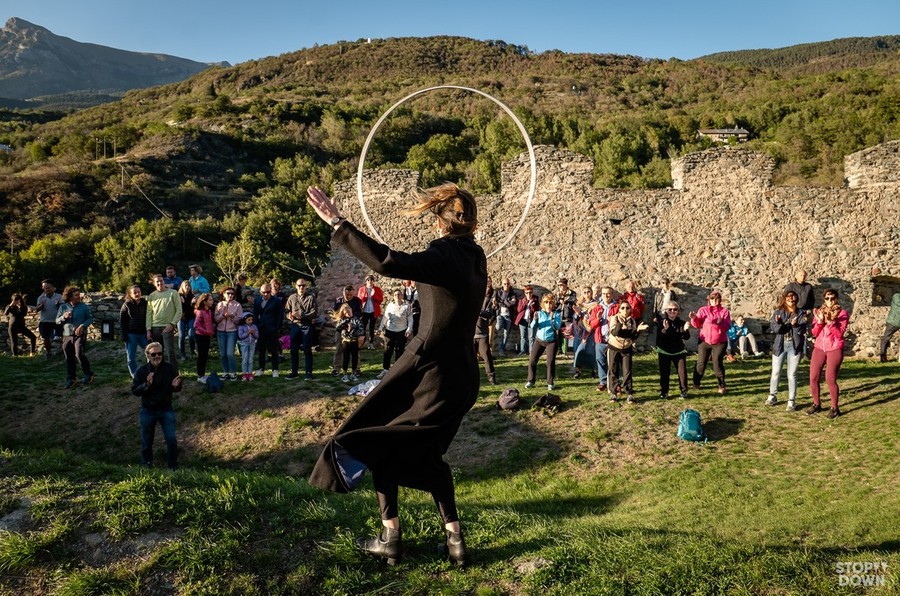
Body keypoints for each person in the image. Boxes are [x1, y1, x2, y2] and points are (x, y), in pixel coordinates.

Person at [306, 182, 486, 567]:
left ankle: (391, 536)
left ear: (440, 223)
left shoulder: (443, 253)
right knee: (427, 456)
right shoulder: (476, 256)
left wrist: (339, 224)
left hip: (429, 371)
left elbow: (388, 262)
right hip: (462, 375)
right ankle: (453, 541)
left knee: (371, 440)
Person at [131, 342, 181, 470]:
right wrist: (146, 384)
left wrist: (176, 386)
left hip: (166, 408)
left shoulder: (169, 368)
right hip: (148, 410)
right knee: (147, 440)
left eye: (160, 353)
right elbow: (135, 391)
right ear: (148, 355)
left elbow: (177, 387)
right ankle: (146, 465)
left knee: (171, 439)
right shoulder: (141, 371)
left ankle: (173, 467)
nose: (157, 356)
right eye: (154, 354)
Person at [807, 289, 849, 418]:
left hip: (834, 347)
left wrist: (830, 323)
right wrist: (820, 321)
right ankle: (816, 404)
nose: (829, 301)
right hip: (820, 347)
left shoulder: (842, 314)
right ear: (824, 299)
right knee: (813, 377)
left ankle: (835, 408)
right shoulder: (820, 312)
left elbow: (839, 334)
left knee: (830, 378)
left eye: (832, 298)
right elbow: (814, 333)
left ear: (836, 299)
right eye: (827, 298)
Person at [767, 291, 807, 410]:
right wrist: (781, 323)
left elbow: (801, 331)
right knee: (775, 372)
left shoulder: (801, 313)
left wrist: (794, 326)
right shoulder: (778, 312)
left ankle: (791, 400)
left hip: (794, 346)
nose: (791, 300)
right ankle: (772, 395)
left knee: (792, 374)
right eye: (789, 298)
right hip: (780, 345)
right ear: (785, 300)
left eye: (793, 299)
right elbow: (775, 329)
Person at [690, 290, 732, 394]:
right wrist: (694, 318)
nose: (714, 301)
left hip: (719, 342)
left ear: (720, 300)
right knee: (701, 363)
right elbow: (697, 324)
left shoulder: (724, 311)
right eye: (712, 299)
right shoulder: (703, 310)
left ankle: (721, 385)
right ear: (709, 300)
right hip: (704, 341)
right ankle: (696, 383)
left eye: (717, 299)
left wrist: (720, 323)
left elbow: (727, 326)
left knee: (717, 363)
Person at [606, 302, 649, 402]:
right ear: (619, 309)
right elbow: (615, 332)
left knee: (627, 371)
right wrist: (621, 323)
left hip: (627, 349)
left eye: (627, 308)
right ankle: (613, 393)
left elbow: (633, 337)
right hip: (614, 348)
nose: (625, 310)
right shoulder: (615, 318)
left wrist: (637, 330)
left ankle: (629, 392)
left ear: (630, 309)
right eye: (623, 308)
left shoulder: (632, 321)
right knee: (613, 370)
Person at [56, 286, 94, 389]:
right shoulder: (63, 307)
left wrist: (83, 325)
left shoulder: (84, 306)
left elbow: (90, 319)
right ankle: (71, 378)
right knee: (69, 358)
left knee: (79, 354)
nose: (79, 296)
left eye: (79, 294)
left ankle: (88, 374)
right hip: (67, 335)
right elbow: (57, 321)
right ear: (70, 297)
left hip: (80, 334)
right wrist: (64, 317)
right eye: (76, 295)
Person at [145, 273, 182, 372]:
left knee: (170, 352)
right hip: (154, 328)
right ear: (154, 283)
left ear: (164, 281)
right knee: (156, 354)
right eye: (157, 281)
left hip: (167, 327)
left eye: (161, 281)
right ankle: (159, 373)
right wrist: (148, 329)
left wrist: (172, 324)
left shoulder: (173, 293)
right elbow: (149, 314)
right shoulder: (152, 296)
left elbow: (179, 310)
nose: (159, 283)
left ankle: (174, 374)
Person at [655, 301, 691, 399]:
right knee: (664, 373)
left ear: (678, 311)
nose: (672, 311)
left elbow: (686, 337)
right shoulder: (662, 322)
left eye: (675, 309)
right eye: (670, 309)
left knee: (682, 372)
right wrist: (665, 329)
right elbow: (660, 337)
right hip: (664, 351)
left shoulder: (682, 323)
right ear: (666, 311)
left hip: (678, 351)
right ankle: (664, 392)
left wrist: (686, 329)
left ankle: (684, 391)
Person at [526, 292, 561, 391]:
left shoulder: (556, 314)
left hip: (551, 341)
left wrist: (552, 319)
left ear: (553, 304)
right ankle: (531, 381)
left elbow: (557, 327)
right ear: (543, 304)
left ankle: (550, 382)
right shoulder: (539, 313)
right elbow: (532, 326)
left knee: (550, 362)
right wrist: (535, 319)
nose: (548, 304)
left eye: (550, 302)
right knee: (532, 360)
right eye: (546, 302)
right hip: (539, 340)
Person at [285, 279, 317, 380]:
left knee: (307, 350)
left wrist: (301, 315)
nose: (301, 287)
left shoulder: (311, 297)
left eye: (303, 285)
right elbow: (286, 311)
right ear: (296, 286)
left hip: (307, 326)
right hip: (295, 326)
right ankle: (294, 372)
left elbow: (314, 312)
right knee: (293, 350)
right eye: (299, 285)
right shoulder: (292, 298)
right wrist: (289, 316)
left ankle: (308, 372)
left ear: (306, 286)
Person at [378, 288, 413, 379]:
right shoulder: (390, 305)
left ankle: (397, 370)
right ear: (393, 297)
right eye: (395, 295)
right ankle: (385, 370)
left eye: (399, 294)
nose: (397, 296)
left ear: (402, 296)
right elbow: (385, 317)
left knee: (399, 350)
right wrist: (380, 328)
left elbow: (410, 319)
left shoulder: (406, 306)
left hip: (402, 331)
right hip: (390, 331)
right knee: (388, 350)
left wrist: (409, 329)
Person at [586, 287, 616, 392]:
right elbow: (591, 325)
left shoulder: (617, 307)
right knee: (600, 361)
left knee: (615, 362)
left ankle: (616, 382)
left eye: (608, 294)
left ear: (612, 295)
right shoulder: (597, 308)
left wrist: (612, 320)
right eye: (604, 294)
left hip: (613, 340)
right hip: (600, 339)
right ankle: (603, 381)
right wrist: (598, 319)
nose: (606, 296)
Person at [253, 283, 284, 377]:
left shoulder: (276, 301)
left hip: (272, 328)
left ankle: (275, 369)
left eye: (268, 292)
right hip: (261, 328)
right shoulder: (257, 300)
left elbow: (280, 315)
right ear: (260, 292)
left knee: (273, 350)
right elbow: (255, 314)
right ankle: (261, 368)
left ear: (271, 291)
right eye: (264, 292)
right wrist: (257, 325)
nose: (266, 294)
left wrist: (276, 327)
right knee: (261, 350)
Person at [331, 285, 362, 376]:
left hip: (353, 328)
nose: (348, 296)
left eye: (350, 295)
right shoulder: (338, 301)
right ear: (343, 293)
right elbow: (336, 313)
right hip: (341, 328)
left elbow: (359, 313)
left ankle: (356, 368)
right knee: (339, 348)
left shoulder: (357, 301)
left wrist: (351, 319)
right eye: (346, 294)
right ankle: (336, 368)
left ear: (353, 293)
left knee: (355, 350)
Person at [120, 285, 149, 378]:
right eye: (134, 292)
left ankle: (151, 372)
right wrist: (124, 336)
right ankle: (135, 375)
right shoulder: (126, 305)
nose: (137, 294)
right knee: (131, 357)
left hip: (143, 333)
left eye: (138, 292)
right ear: (130, 294)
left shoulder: (145, 303)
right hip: (131, 334)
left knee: (151, 352)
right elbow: (122, 321)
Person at [214, 287, 243, 381]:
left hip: (232, 331)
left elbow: (239, 320)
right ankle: (225, 371)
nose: (230, 295)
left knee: (230, 353)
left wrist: (232, 317)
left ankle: (233, 372)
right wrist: (223, 315)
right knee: (223, 354)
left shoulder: (237, 305)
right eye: (228, 293)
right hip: (221, 331)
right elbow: (216, 319)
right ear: (223, 294)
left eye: (232, 293)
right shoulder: (219, 305)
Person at [332, 303, 363, 383]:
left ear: (351, 310)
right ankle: (345, 373)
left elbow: (361, 330)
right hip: (346, 341)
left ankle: (353, 372)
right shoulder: (343, 320)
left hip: (354, 341)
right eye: (346, 313)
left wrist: (354, 332)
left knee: (355, 358)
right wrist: (344, 322)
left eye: (349, 312)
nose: (348, 314)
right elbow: (338, 328)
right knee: (346, 358)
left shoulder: (356, 320)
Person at [474, 282, 497, 385]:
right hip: (472, 334)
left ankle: (491, 378)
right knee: (471, 358)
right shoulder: (472, 299)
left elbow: (489, 315)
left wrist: (478, 311)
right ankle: (471, 378)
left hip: (482, 334)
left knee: (487, 357)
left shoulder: (487, 301)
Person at [35, 280, 64, 358]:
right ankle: (49, 352)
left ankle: (63, 349)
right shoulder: (41, 298)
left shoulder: (59, 296)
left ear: (53, 288)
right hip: (45, 321)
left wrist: (59, 304)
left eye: (49, 288)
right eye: (45, 288)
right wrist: (41, 306)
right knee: (46, 338)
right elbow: (37, 309)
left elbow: (64, 307)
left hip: (57, 320)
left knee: (60, 336)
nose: (47, 290)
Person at [193, 293, 214, 383]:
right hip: (201, 336)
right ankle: (200, 375)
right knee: (201, 355)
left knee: (205, 355)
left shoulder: (208, 310)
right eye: (210, 300)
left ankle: (202, 374)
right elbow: (196, 325)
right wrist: (206, 332)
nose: (212, 301)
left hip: (207, 336)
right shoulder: (200, 312)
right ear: (204, 301)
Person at [357, 275, 383, 350]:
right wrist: (366, 296)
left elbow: (380, 300)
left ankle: (371, 344)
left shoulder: (377, 289)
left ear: (373, 281)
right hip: (364, 311)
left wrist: (373, 295)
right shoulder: (362, 289)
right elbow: (359, 300)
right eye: (368, 280)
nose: (370, 281)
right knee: (363, 327)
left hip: (373, 311)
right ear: (366, 281)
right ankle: (362, 343)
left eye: (371, 280)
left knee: (372, 328)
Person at [494, 278, 517, 356]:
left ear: (509, 284)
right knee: (499, 327)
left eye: (507, 284)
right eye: (504, 284)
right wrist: (506, 302)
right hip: (500, 315)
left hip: (508, 316)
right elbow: (496, 302)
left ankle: (501, 350)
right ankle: (496, 327)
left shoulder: (512, 292)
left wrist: (502, 302)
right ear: (502, 284)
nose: (506, 285)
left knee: (506, 334)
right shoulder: (498, 292)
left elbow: (513, 303)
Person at [554, 278, 577, 357]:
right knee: (558, 334)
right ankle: (558, 349)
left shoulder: (572, 293)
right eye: (559, 285)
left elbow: (572, 302)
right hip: (559, 316)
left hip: (568, 316)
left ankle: (568, 350)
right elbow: (555, 305)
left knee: (569, 334)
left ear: (566, 285)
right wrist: (558, 299)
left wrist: (565, 301)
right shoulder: (557, 294)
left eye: (561, 285)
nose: (560, 287)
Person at [513, 285, 538, 356]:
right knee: (523, 337)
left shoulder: (535, 300)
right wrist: (525, 304)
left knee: (531, 337)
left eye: (530, 292)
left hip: (532, 319)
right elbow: (519, 310)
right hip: (523, 320)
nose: (529, 294)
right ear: (525, 293)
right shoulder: (522, 300)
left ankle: (531, 352)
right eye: (527, 293)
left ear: (532, 293)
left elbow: (537, 310)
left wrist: (532, 306)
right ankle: (523, 351)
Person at [879, 291, 900, 362]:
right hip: (893, 322)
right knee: (886, 338)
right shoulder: (896, 296)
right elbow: (898, 303)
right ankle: (883, 356)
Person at [177, 280, 196, 359]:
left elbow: (193, 308)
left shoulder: (192, 296)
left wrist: (191, 303)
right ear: (182, 287)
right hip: (181, 318)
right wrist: (186, 303)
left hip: (190, 317)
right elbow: (178, 307)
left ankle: (192, 351)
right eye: (186, 286)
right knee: (181, 336)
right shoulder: (178, 295)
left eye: (188, 286)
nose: (187, 287)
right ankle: (182, 353)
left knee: (191, 335)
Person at [237, 313, 259, 381]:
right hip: (244, 344)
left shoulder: (254, 326)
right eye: (249, 320)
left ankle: (250, 374)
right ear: (244, 320)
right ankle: (244, 374)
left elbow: (257, 336)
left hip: (252, 344)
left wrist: (253, 333)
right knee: (245, 359)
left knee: (250, 359)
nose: (250, 321)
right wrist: (247, 333)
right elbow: (240, 336)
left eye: (251, 320)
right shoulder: (241, 327)